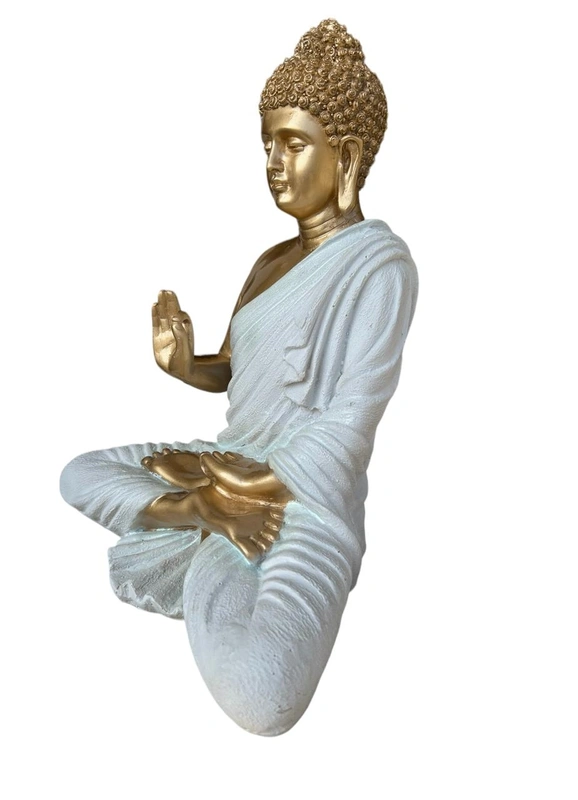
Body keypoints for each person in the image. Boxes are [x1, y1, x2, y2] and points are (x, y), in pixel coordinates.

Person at [60, 19, 418, 735]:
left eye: (294, 144)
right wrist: (186, 365)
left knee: (263, 699)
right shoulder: (269, 261)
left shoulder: (382, 268)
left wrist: (258, 480)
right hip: (228, 468)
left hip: (307, 497)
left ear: (347, 156)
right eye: (267, 145)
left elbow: (352, 419)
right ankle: (200, 519)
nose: (274, 163)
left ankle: (206, 538)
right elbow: (232, 369)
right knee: (78, 473)